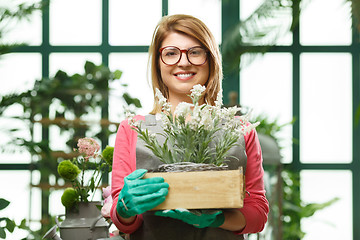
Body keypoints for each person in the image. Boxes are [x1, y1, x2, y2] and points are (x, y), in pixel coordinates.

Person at [110, 14, 269, 240]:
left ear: (210, 59)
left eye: (195, 52)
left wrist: (219, 219)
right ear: (158, 62)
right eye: (171, 53)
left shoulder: (241, 130)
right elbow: (124, 223)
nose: (183, 62)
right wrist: (125, 207)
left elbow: (258, 213)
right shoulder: (133, 128)